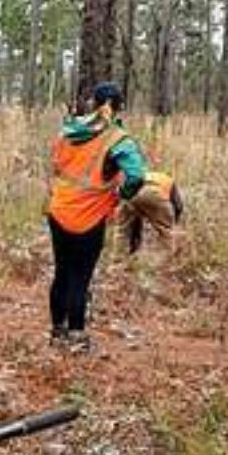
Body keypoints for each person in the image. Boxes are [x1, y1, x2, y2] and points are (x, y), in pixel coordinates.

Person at [45, 82, 148, 350]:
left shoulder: (69, 129)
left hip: (59, 209)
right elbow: (137, 175)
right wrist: (120, 194)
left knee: (62, 272)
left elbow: (56, 165)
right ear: (119, 107)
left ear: (93, 103)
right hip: (89, 216)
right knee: (80, 276)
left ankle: (57, 332)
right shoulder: (117, 139)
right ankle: (77, 337)